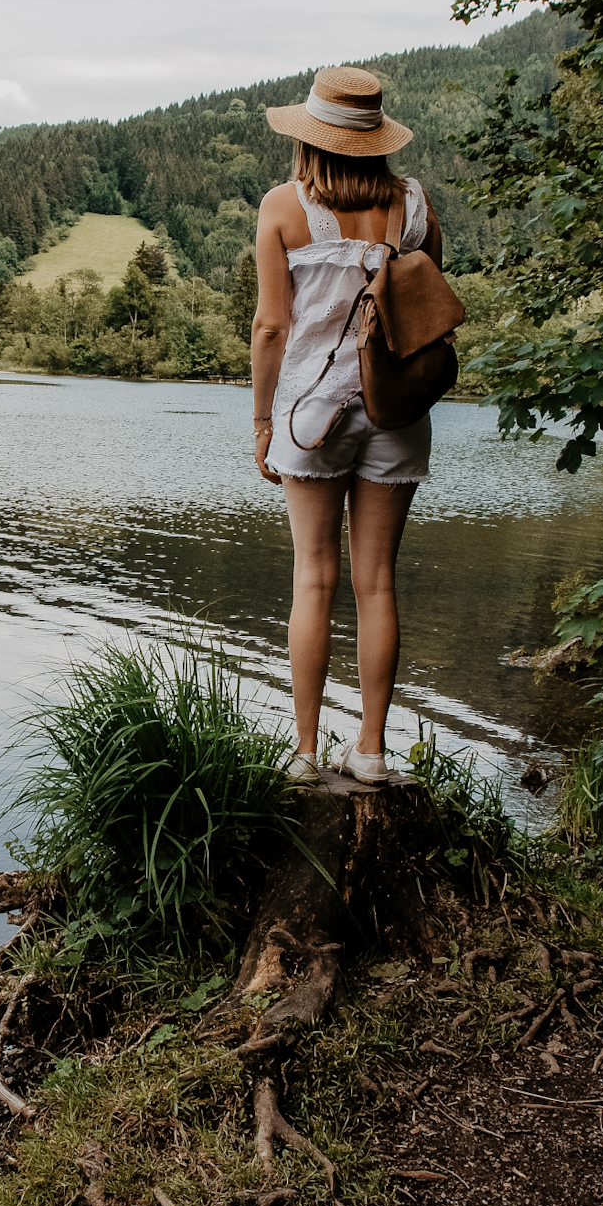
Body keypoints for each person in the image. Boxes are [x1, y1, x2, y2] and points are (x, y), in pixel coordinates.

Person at [250, 66, 443, 784]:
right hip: (396, 410)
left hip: (312, 413)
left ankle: (303, 755)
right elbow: (423, 313)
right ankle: (369, 749)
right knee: (377, 584)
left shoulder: (282, 207)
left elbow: (271, 326)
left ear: (310, 140)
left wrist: (261, 422)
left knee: (312, 581)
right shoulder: (415, 205)